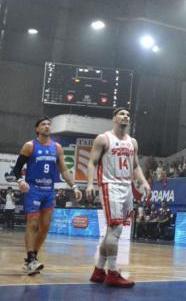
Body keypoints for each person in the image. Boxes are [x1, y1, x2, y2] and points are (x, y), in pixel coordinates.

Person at [85, 108, 151, 288]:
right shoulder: (103, 139)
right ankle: (112, 273)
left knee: (112, 231)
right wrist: (90, 184)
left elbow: (135, 166)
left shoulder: (132, 142)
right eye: (122, 114)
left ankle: (99, 270)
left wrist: (144, 182)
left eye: (128, 115)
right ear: (114, 118)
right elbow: (92, 162)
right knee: (116, 228)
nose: (125, 116)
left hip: (126, 187)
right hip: (110, 185)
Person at [12, 117, 81, 275]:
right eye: (43, 124)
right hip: (33, 190)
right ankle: (31, 259)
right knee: (32, 223)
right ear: (37, 129)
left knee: (45, 227)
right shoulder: (30, 146)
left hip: (49, 191)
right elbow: (16, 169)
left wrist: (74, 186)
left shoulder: (57, 147)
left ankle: (32, 258)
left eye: (49, 124)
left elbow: (64, 170)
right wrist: (20, 181)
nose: (47, 126)